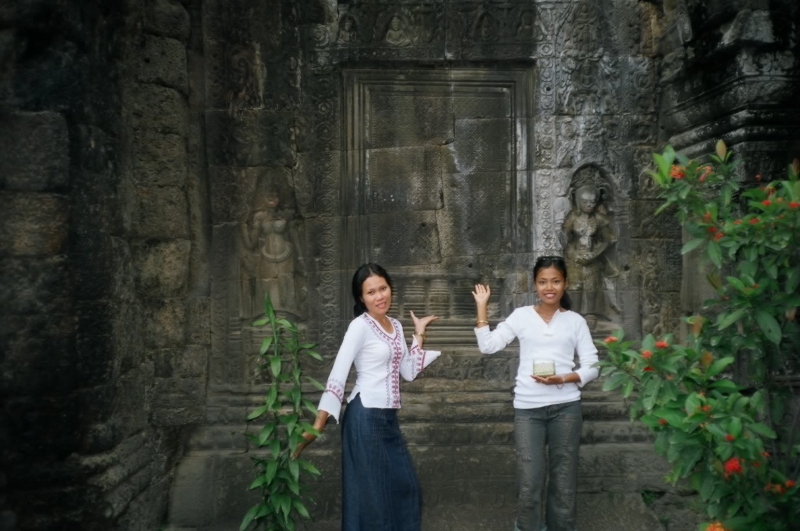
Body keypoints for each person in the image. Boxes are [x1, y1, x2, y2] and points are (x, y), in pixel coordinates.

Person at [295, 263, 440, 531]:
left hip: (387, 420)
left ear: (390, 289)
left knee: (405, 488)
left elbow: (407, 372)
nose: (379, 296)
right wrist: (318, 423)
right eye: (371, 292)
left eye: (383, 288)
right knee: (375, 499)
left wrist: (419, 334)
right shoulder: (359, 326)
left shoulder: (395, 325)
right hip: (364, 418)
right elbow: (338, 372)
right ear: (362, 298)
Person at [472, 256, 599, 531]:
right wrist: (482, 309)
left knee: (564, 482)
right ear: (534, 284)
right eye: (543, 282)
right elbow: (489, 346)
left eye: (555, 281)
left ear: (565, 284)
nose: (549, 287)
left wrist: (563, 378)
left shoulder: (575, 321)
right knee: (530, 482)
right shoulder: (521, 316)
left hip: (566, 407)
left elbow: (593, 365)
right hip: (528, 410)